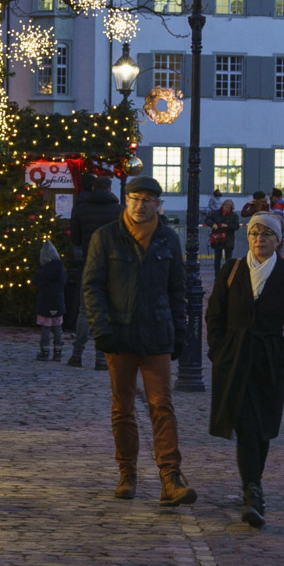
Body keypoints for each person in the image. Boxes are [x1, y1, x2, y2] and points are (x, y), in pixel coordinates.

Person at [84, 173, 194, 506]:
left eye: (148, 200)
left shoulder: (167, 240)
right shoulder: (106, 238)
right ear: (126, 200)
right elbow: (92, 287)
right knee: (123, 409)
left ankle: (170, 477)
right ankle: (127, 473)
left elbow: (177, 289)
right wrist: (101, 329)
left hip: (157, 334)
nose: (140, 205)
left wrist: (180, 332)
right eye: (135, 199)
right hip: (120, 335)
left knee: (162, 405)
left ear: (158, 205)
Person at [205, 208, 284, 527]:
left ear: (278, 240)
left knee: (262, 427)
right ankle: (253, 491)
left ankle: (253, 486)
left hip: (268, 358)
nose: (259, 239)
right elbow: (214, 315)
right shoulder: (232, 270)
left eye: (266, 234)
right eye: (253, 233)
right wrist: (218, 351)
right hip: (234, 356)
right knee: (246, 424)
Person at [64, 173, 122, 370]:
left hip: (89, 263)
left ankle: (77, 354)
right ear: (109, 189)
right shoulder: (119, 210)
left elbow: (76, 239)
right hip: (112, 265)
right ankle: (101, 357)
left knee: (84, 311)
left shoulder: (81, 209)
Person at [34, 238, 67, 361]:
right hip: (58, 303)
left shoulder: (42, 272)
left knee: (46, 329)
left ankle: (45, 351)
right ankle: (58, 351)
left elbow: (35, 282)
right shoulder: (61, 271)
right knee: (58, 328)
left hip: (45, 303)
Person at [209, 198, 240, 267]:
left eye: (229, 208)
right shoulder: (216, 213)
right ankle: (217, 275)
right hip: (217, 239)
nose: (227, 209)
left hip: (228, 239)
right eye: (225, 207)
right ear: (222, 206)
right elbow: (208, 219)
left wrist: (227, 226)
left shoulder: (234, 216)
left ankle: (228, 275)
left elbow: (236, 226)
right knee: (217, 259)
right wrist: (212, 224)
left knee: (228, 260)